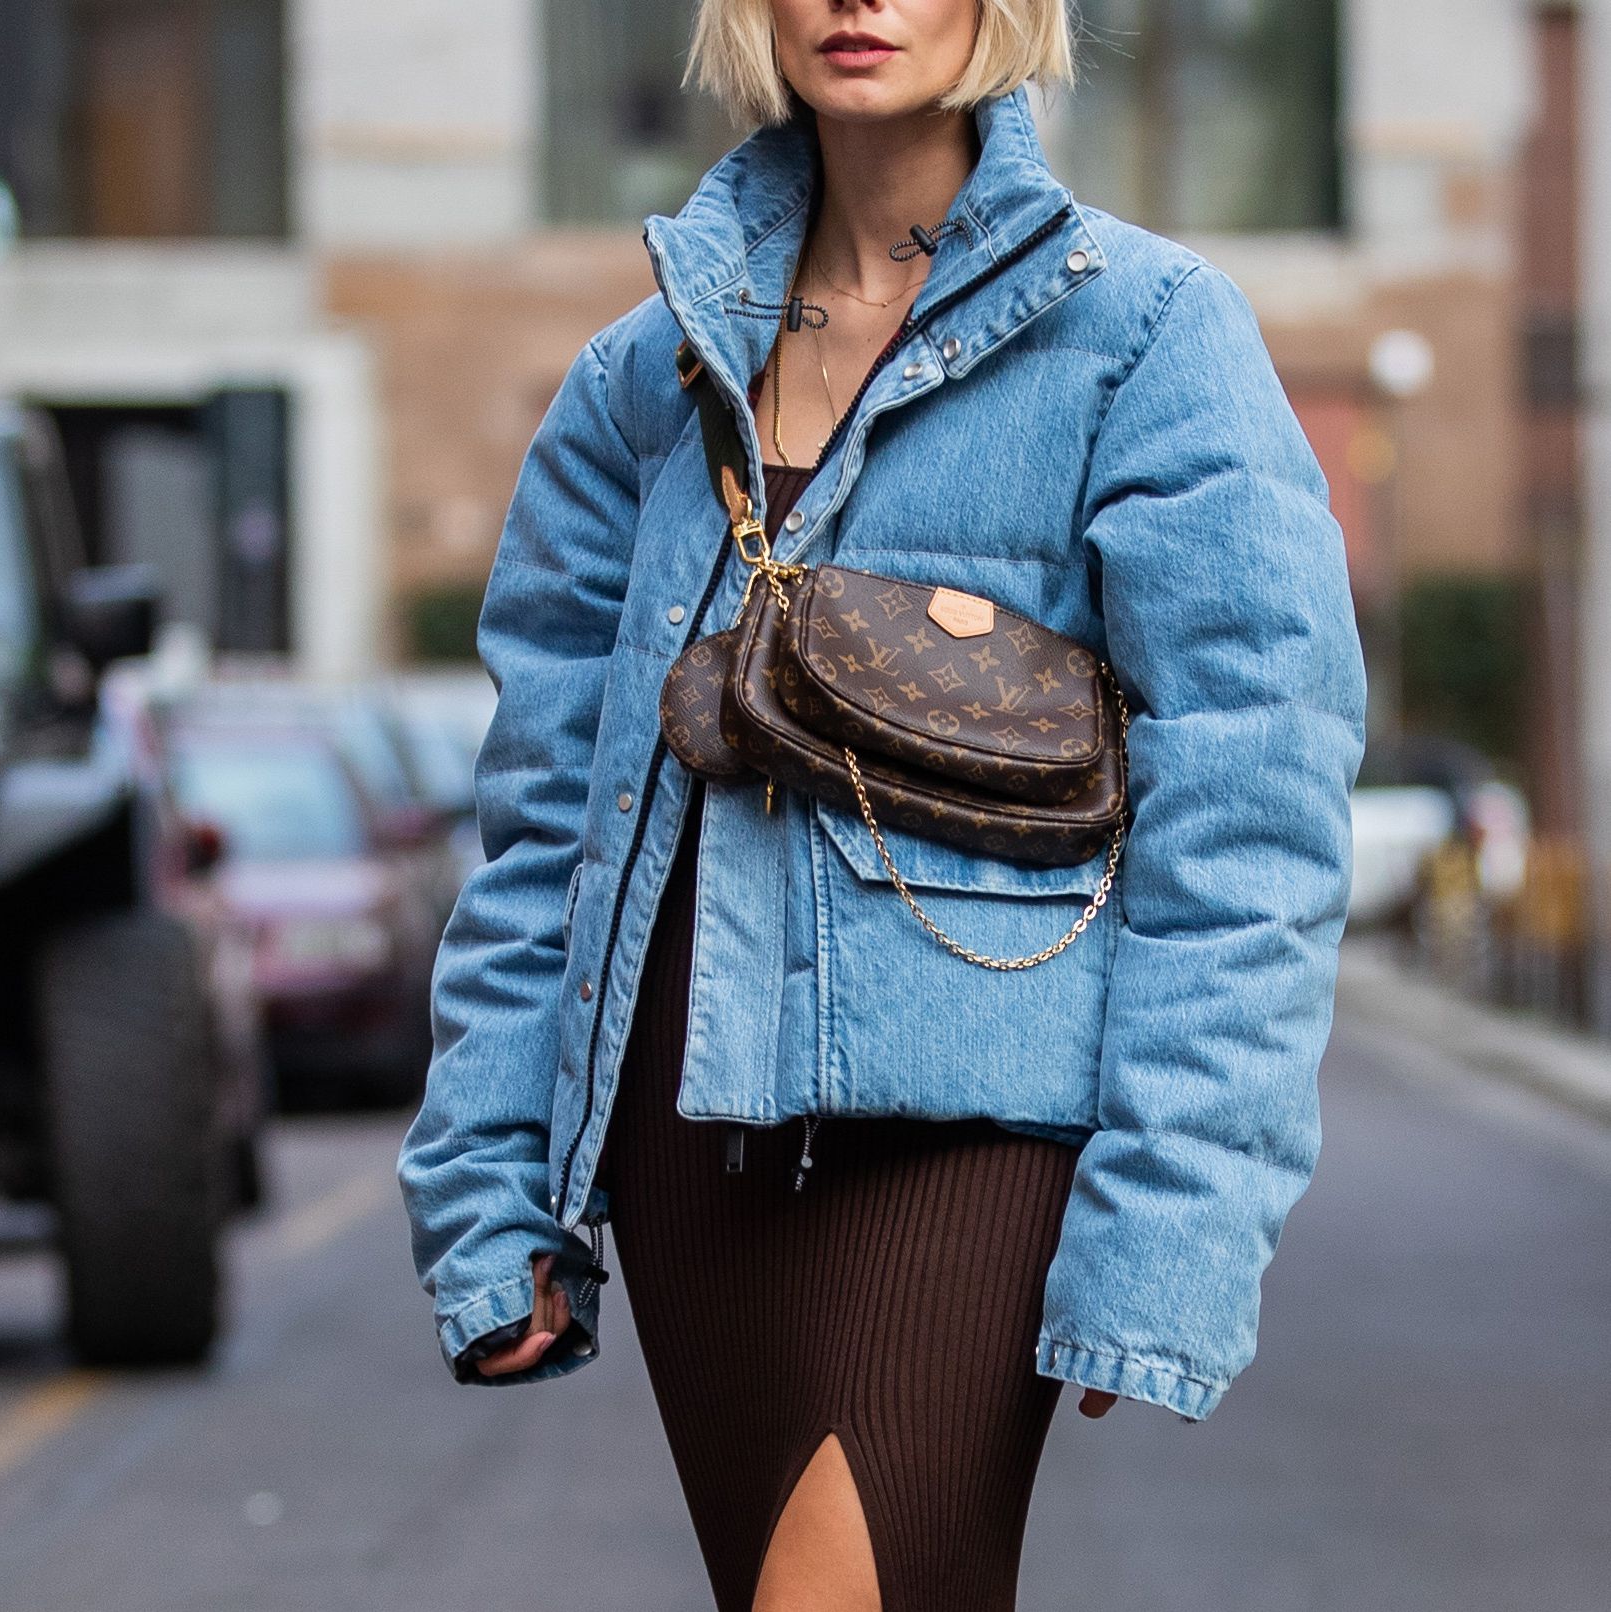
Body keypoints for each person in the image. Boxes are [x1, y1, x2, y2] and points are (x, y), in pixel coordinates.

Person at [397, 2, 1368, 1606]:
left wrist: (1175, 1224)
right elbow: (545, 832)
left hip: (968, 1118)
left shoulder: (1148, 335)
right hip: (682, 1120)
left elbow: (1253, 816)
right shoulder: (642, 378)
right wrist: (491, 1191)